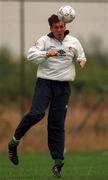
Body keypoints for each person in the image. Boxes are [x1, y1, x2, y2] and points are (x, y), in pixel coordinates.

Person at [8, 14, 86, 178]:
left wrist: (81, 60)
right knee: (37, 114)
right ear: (51, 28)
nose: (59, 30)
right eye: (56, 27)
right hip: (45, 83)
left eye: (61, 27)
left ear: (65, 26)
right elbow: (31, 55)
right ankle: (14, 143)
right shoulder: (44, 41)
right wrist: (47, 54)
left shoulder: (74, 42)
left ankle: (58, 164)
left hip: (63, 87)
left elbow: (81, 55)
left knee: (56, 124)